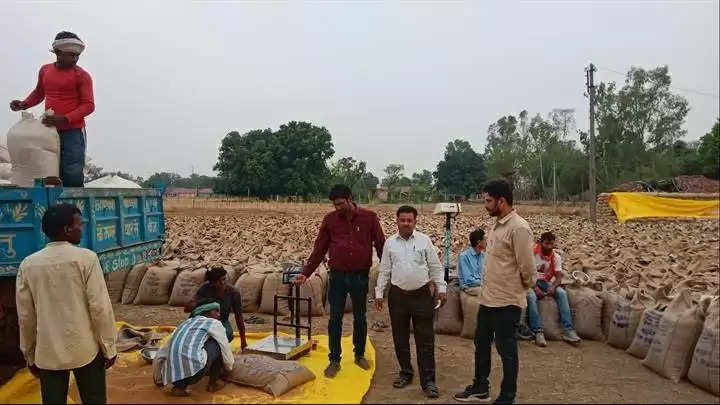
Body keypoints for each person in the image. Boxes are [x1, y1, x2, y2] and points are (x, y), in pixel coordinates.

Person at [16, 204, 117, 404]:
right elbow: (100, 309)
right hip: (86, 349)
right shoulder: (86, 259)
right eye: (79, 224)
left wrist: (29, 353)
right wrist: (109, 347)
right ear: (67, 229)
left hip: (48, 352)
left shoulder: (28, 264)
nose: (82, 228)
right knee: (94, 399)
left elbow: (26, 317)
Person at [454, 180, 536, 404]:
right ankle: (481, 387)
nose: (485, 205)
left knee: (506, 349)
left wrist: (518, 289)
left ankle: (508, 396)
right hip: (488, 300)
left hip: (507, 302)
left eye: (488, 201)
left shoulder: (519, 228)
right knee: (481, 343)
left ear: (502, 200)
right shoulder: (497, 225)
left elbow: (527, 269)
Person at [295, 184, 386, 378]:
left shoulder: (369, 218)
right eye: (335, 205)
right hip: (336, 276)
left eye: (340, 204)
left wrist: (387, 273)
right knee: (335, 318)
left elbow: (381, 245)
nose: (337, 208)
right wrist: (306, 272)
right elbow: (319, 249)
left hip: (360, 276)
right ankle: (334, 359)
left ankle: (359, 354)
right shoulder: (330, 220)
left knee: (360, 317)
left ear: (350, 199)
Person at [375, 205, 446, 399]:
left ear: (415, 222)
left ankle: (429, 381)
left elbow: (435, 267)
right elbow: (385, 270)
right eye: (402, 220)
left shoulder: (424, 241)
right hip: (398, 297)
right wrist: (379, 293)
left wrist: (441, 288)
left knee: (426, 340)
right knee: (400, 338)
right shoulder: (390, 243)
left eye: (409, 220)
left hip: (422, 296)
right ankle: (406, 372)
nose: (406, 223)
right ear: (397, 221)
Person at [9, 31, 94, 187]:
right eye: (71, 54)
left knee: (71, 169)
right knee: (48, 168)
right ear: (58, 52)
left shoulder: (82, 76)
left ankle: (72, 205)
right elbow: (39, 93)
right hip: (49, 129)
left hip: (73, 130)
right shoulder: (46, 70)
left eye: (77, 55)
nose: (75, 58)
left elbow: (88, 105)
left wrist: (64, 118)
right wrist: (23, 104)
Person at [156, 299, 235, 396]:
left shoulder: (185, 323)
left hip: (171, 376)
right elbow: (224, 346)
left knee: (191, 344)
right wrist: (229, 368)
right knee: (217, 343)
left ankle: (179, 388)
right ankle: (213, 384)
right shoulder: (214, 323)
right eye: (216, 311)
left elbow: (162, 352)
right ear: (207, 312)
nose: (219, 314)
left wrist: (159, 378)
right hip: (194, 374)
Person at [526, 232, 581, 347]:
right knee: (531, 297)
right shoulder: (531, 254)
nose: (549, 247)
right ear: (540, 243)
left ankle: (568, 330)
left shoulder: (556, 257)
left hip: (545, 282)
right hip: (530, 282)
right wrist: (535, 288)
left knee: (561, 293)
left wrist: (553, 287)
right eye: (546, 244)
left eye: (551, 244)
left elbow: (559, 276)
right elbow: (525, 273)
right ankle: (538, 332)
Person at [185, 266, 248, 350]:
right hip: (204, 321)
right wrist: (203, 302)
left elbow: (239, 317)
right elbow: (187, 308)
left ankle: (209, 348)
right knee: (195, 335)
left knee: (228, 335)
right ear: (212, 283)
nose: (223, 283)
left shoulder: (233, 293)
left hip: (222, 321)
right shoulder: (205, 288)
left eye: (224, 279)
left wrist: (243, 341)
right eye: (219, 281)